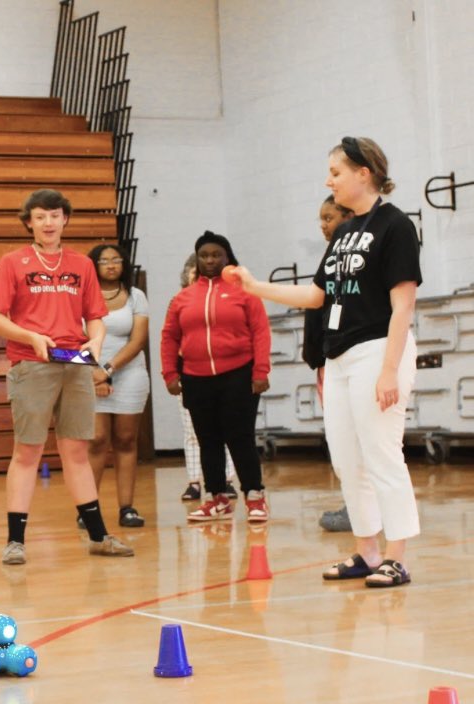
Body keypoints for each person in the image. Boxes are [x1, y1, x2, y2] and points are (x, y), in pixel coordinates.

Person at [226, 137, 421, 588]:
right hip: (340, 358)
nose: (327, 180)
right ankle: (367, 552)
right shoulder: (346, 231)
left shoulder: (395, 226)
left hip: (378, 350)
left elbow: (403, 306)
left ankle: (398, 556)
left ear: (363, 173)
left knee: (381, 454)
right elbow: (317, 295)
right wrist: (255, 287)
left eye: (335, 172)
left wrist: (390, 369)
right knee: (347, 460)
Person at [0, 189, 134, 564]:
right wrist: (30, 336)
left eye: (55, 216)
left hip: (77, 364)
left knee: (77, 452)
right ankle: (15, 540)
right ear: (29, 222)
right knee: (28, 451)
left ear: (65, 219)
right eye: (40, 217)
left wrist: (96, 342)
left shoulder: (82, 265)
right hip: (31, 364)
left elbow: (95, 316)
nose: (48, 223)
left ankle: (98, 536)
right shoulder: (12, 263)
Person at [160, 231, 271, 523]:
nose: (210, 260)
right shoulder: (182, 298)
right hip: (196, 378)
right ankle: (217, 499)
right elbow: (169, 336)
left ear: (227, 258)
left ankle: (255, 496)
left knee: (240, 438)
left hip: (239, 375)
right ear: (197, 259)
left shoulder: (244, 292)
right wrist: (170, 373)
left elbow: (260, 331)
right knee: (207, 441)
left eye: (216, 255)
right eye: (204, 255)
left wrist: (261, 371)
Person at [84, 243, 150, 528]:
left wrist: (108, 370)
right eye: (104, 261)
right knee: (97, 440)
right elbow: (75, 336)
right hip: (89, 371)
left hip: (129, 372)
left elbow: (137, 341)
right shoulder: (82, 297)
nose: (111, 265)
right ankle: (88, 508)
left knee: (125, 439)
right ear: (94, 266)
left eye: (116, 260)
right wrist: (95, 373)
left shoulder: (136, 296)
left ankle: (127, 508)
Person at [304, 196, 355, 532]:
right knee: (341, 437)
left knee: (354, 438)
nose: (323, 225)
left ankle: (359, 508)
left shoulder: (351, 259)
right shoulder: (331, 257)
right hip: (328, 359)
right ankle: (356, 504)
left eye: (329, 217)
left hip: (347, 358)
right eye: (320, 219)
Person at [175, 253, 236, 502]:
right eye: (192, 274)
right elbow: (170, 338)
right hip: (189, 373)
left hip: (223, 373)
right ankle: (194, 482)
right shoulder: (180, 303)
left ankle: (227, 480)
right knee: (192, 431)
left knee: (225, 430)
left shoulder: (224, 300)